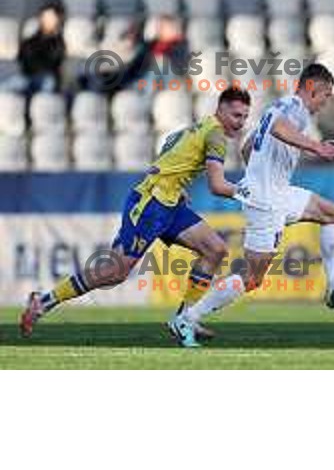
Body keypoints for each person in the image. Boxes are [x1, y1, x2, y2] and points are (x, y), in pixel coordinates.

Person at [20, 87, 252, 339]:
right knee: (116, 270)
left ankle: (185, 320)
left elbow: (169, 145)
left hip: (169, 202)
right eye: (236, 115)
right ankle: (43, 302)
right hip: (151, 204)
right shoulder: (216, 134)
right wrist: (251, 195)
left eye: (244, 117)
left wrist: (175, 183)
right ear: (220, 109)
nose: (240, 123)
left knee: (215, 249)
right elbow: (217, 185)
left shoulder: (198, 126)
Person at [169, 63, 334, 348]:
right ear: (313, 89)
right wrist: (316, 147)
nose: (325, 103)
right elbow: (276, 128)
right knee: (252, 278)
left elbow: (248, 146)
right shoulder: (295, 109)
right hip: (266, 202)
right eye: (326, 96)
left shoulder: (279, 106)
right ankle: (188, 318)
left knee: (331, 213)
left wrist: (260, 174)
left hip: (277, 193)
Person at [18, 3, 65, 96]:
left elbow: (53, 62)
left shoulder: (59, 42)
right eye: (44, 16)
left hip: (46, 78)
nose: (47, 20)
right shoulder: (31, 40)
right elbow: (23, 57)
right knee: (14, 82)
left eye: (51, 17)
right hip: (28, 77)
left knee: (49, 81)